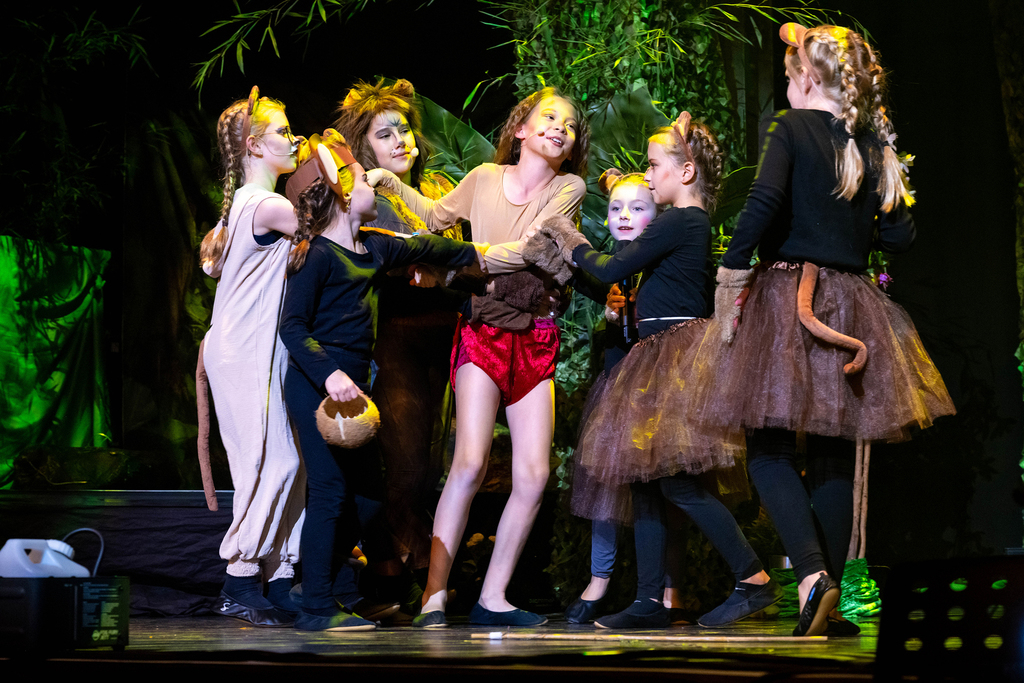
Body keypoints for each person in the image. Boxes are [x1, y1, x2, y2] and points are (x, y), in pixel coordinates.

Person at [694, 24, 955, 637]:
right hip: (851, 301)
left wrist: (730, 271)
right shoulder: (873, 144)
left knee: (769, 448)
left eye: (789, 76)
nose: (787, 87)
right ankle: (827, 602)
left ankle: (813, 577)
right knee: (834, 453)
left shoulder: (792, 128)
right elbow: (900, 239)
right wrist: (888, 175)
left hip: (791, 297)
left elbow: (762, 203)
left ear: (808, 78)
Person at [539, 115, 780, 629]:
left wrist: (565, 235)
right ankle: (649, 600)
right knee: (646, 483)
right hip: (658, 353)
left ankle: (753, 577)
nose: (647, 177)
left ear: (686, 172)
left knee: (678, 485)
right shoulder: (687, 223)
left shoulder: (680, 221)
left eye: (653, 166)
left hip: (673, 358)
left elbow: (610, 269)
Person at [369, 87, 591, 627]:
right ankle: (434, 596)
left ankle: (494, 597)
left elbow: (533, 249)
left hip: (534, 337)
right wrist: (392, 184)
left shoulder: (569, 187)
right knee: (468, 463)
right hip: (483, 331)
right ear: (520, 128)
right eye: (549, 117)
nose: (560, 128)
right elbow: (434, 215)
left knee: (534, 476)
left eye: (570, 125)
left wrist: (466, 259)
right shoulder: (484, 177)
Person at [278, 131, 486, 631]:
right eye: (365, 181)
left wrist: (483, 253)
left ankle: (315, 584)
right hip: (316, 387)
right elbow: (293, 328)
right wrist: (329, 375)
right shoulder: (318, 256)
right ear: (345, 195)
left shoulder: (371, 248)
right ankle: (316, 605)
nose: (375, 186)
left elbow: (426, 245)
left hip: (356, 391)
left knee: (370, 498)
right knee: (330, 491)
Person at [333, 79, 463, 596]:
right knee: (406, 463)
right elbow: (385, 255)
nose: (399, 141)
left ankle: (403, 570)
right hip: (394, 338)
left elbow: (458, 256)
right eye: (384, 134)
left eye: (403, 129)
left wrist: (444, 270)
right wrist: (426, 261)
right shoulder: (364, 194)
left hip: (447, 337)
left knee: (432, 465)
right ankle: (389, 567)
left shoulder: (441, 190)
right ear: (365, 147)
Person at [198, 86, 305, 627]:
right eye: (284, 132)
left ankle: (280, 576)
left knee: (290, 461)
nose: (295, 139)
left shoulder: (247, 205)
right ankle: (239, 576)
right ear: (255, 146)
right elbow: (334, 233)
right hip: (244, 349)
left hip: (259, 346)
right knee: (273, 462)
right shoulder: (270, 206)